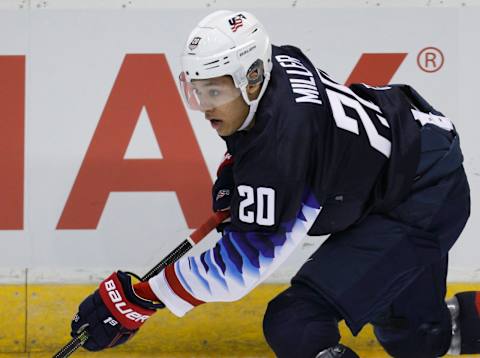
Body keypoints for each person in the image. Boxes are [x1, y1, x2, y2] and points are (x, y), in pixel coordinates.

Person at [70, 10, 477, 357]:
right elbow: (274, 140)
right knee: (418, 338)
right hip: (405, 162)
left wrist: (146, 297)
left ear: (251, 77)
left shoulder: (283, 149)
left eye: (215, 90)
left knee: (295, 322)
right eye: (198, 91)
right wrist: (237, 172)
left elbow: (241, 267)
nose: (206, 107)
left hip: (422, 195)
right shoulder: (273, 64)